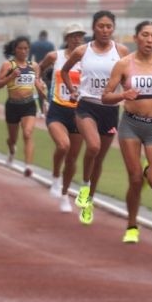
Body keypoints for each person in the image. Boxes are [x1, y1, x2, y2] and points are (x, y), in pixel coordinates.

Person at [101, 21, 152, 244]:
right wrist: (122, 96)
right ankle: (132, 225)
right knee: (134, 180)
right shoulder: (124, 64)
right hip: (131, 126)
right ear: (136, 38)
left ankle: (149, 170)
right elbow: (106, 96)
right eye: (145, 35)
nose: (150, 40)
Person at [61, 10, 129, 225]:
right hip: (86, 106)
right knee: (93, 146)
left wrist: (127, 93)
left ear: (114, 28)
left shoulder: (122, 51)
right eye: (101, 26)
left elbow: (128, 78)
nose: (105, 30)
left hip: (109, 109)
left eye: (109, 26)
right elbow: (64, 71)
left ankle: (89, 201)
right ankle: (83, 186)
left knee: (98, 159)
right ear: (94, 28)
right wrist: (72, 89)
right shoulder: (82, 50)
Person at [36, 22, 86, 212]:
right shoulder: (54, 56)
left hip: (79, 113)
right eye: (73, 35)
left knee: (72, 158)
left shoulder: (87, 59)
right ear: (66, 38)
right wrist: (37, 80)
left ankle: (65, 195)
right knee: (63, 145)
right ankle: (55, 176)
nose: (77, 39)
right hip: (57, 110)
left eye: (80, 35)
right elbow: (39, 68)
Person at [0, 36, 47, 178]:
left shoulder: (34, 66)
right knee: (12, 139)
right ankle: (11, 151)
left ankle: (28, 166)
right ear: (15, 50)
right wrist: (11, 77)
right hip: (12, 106)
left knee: (28, 133)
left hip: (28, 105)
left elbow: (37, 82)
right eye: (20, 48)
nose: (24, 51)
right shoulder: (8, 65)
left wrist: (42, 91)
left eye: (26, 48)